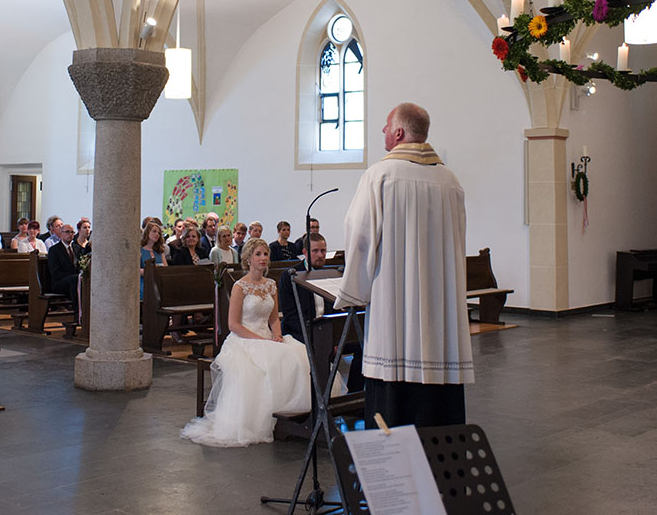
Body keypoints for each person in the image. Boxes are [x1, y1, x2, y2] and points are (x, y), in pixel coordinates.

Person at [335, 102, 472, 427]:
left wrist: (353, 292)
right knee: (438, 412)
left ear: (399, 132)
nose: (382, 131)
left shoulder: (380, 176)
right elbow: (458, 242)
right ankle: (442, 469)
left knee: (393, 410)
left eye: (386, 125)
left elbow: (360, 237)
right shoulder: (449, 181)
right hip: (441, 321)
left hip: (395, 318)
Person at [181, 238, 310, 447]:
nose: (263, 259)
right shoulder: (240, 287)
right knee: (262, 368)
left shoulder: (271, 285)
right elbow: (233, 324)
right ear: (248, 259)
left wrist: (276, 335)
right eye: (258, 254)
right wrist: (260, 340)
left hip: (267, 337)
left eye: (266, 254)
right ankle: (261, 419)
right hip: (243, 339)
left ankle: (290, 416)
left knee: (297, 356)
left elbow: (275, 318)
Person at [280, 233, 364, 392]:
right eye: (315, 251)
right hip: (301, 331)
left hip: (329, 331)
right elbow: (291, 316)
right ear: (305, 252)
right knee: (317, 349)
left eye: (323, 251)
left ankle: (352, 397)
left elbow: (337, 308)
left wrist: (336, 339)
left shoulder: (330, 274)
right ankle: (319, 399)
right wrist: (319, 337)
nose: (320, 255)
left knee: (361, 346)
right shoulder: (290, 276)